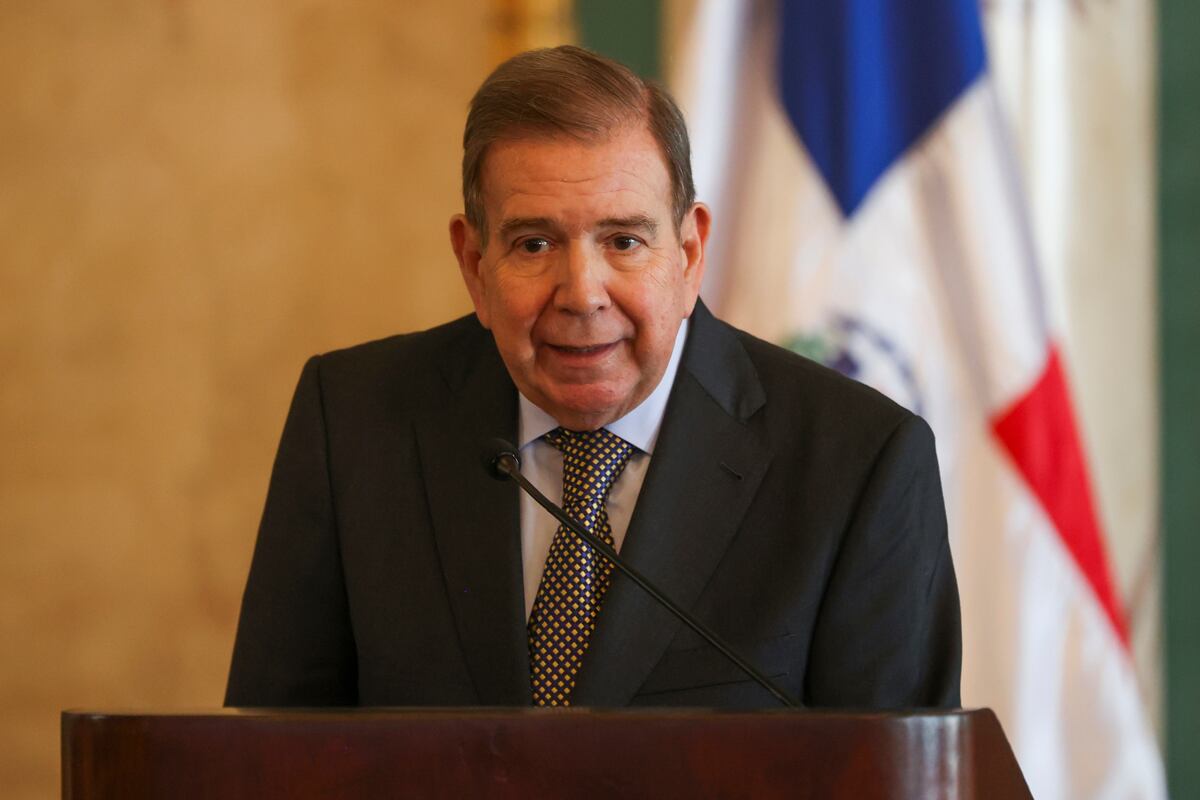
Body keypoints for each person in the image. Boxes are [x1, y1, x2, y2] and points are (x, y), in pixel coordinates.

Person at [225, 45, 960, 709]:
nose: (582, 291)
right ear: (474, 265)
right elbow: (271, 758)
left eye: (624, 240)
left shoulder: (859, 462)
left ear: (690, 252)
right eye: (535, 242)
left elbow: (899, 775)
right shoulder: (353, 423)